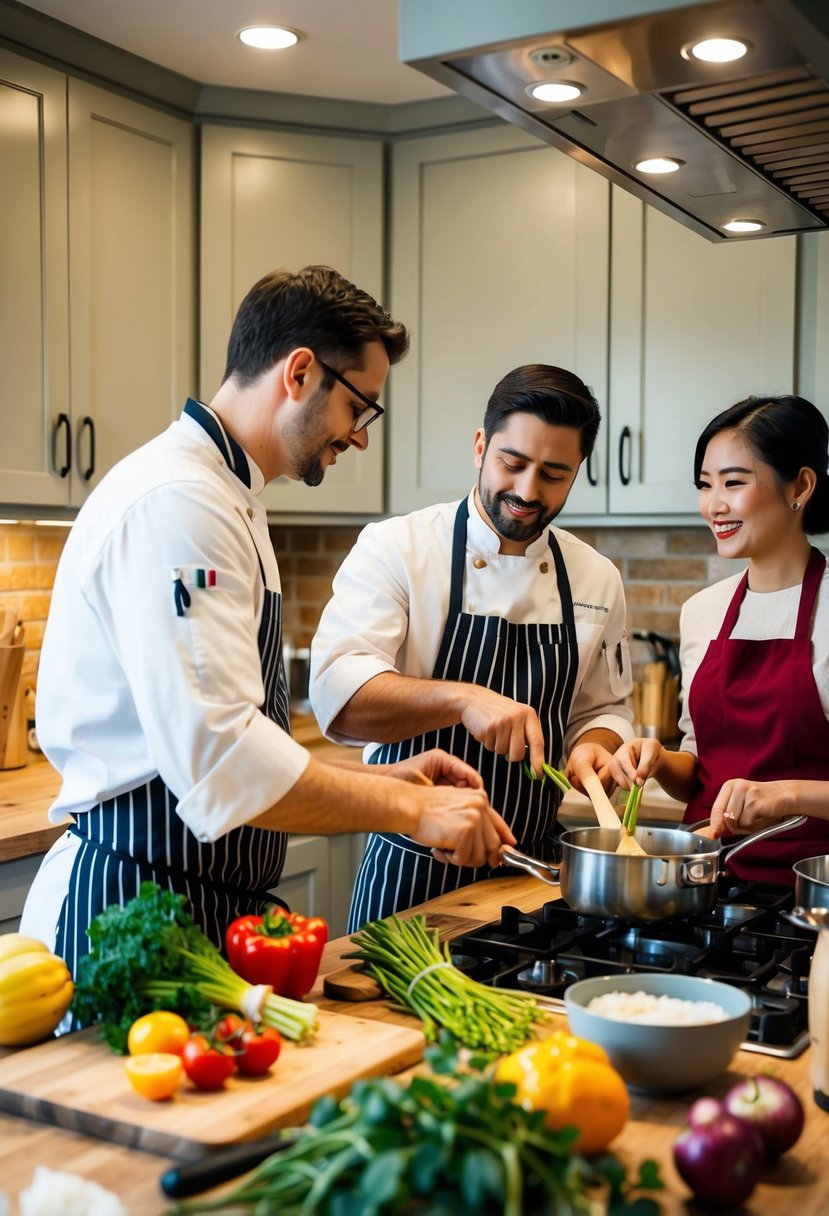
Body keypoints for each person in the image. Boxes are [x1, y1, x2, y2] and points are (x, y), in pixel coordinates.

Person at [21, 265, 512, 980]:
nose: (361, 437)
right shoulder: (180, 503)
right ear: (300, 372)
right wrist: (407, 813)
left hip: (200, 901)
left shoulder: (229, 497)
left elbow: (233, 740)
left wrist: (392, 782)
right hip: (129, 904)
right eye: (360, 407)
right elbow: (220, 760)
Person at [309, 364, 634, 928]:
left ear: (577, 472)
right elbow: (339, 700)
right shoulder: (397, 549)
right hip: (409, 878)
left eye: (555, 474)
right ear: (481, 446)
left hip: (534, 878)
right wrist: (465, 700)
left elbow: (604, 710)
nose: (529, 491)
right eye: (513, 463)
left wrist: (596, 746)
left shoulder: (595, 576)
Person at [608, 394, 829, 886]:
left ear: (801, 485)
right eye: (705, 485)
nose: (714, 505)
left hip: (812, 893)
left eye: (733, 482)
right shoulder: (702, 611)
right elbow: (702, 766)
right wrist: (661, 761)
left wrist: (786, 795)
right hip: (703, 883)